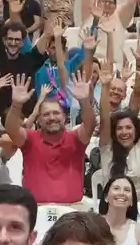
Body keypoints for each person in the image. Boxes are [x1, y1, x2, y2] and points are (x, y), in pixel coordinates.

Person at [5, 74, 95, 206]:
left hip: (72, 211)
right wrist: (16, 105)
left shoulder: (76, 138)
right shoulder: (29, 139)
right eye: (46, 114)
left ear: (64, 117)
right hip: (36, 208)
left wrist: (84, 101)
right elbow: (11, 128)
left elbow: (90, 124)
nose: (52, 117)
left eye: (56, 113)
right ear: (39, 120)